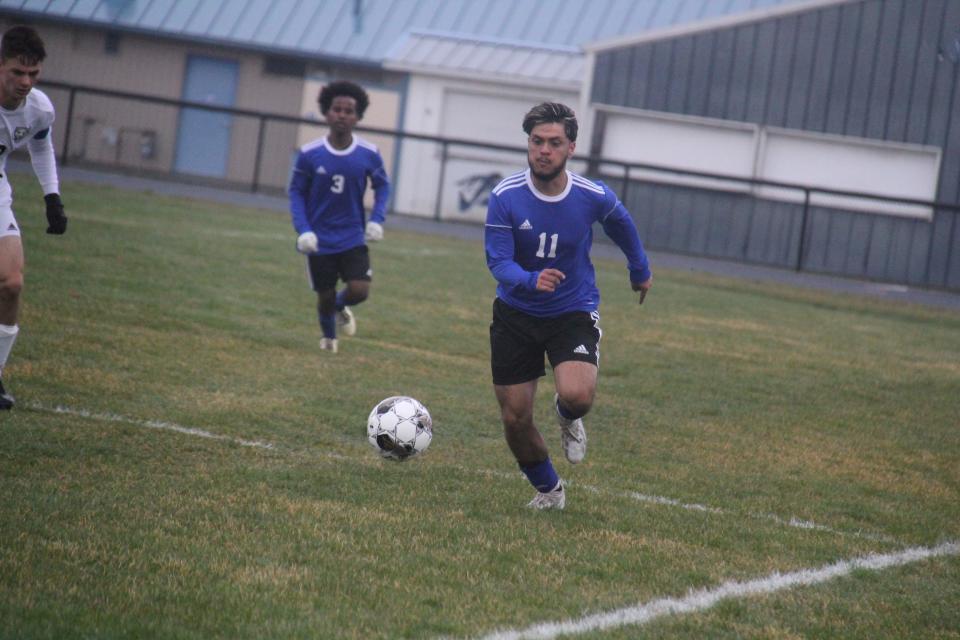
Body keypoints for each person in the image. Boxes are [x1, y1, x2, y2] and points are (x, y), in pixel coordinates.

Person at [484, 102, 652, 510]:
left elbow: (621, 222)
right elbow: (498, 261)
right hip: (516, 314)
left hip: (572, 310)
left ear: (570, 148)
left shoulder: (591, 195)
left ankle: (566, 415)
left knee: (577, 396)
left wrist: (639, 268)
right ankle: (549, 490)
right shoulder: (505, 196)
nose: (543, 150)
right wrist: (529, 280)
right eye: (536, 141)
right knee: (515, 418)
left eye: (553, 142)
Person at [288, 80, 389, 353]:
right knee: (325, 295)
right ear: (327, 113)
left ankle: (341, 306)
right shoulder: (310, 154)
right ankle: (329, 341)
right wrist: (303, 229)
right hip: (319, 239)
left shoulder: (368, 153)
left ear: (358, 117)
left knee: (359, 290)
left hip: (352, 235)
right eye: (337, 109)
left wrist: (377, 219)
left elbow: (383, 186)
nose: (342, 115)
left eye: (349, 110)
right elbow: (296, 192)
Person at [0, 25, 68, 410]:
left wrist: (52, 198)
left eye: (33, 73)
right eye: (17, 72)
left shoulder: (39, 109)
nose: (26, 82)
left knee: (11, 283)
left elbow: (41, 149)